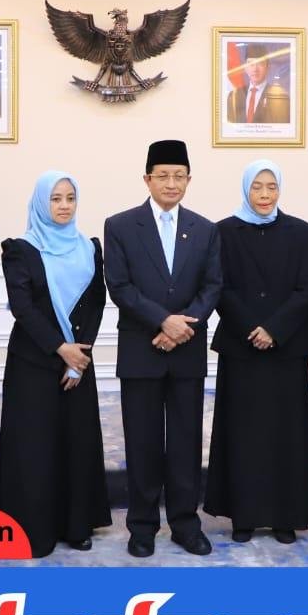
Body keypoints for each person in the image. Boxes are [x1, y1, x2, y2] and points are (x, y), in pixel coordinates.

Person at [104, 139, 222, 557]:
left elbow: (213, 286)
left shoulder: (206, 229)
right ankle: (142, 526)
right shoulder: (120, 226)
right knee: (143, 442)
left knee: (186, 443)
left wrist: (181, 326)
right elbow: (119, 286)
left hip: (187, 350)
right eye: (163, 176)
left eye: (179, 176)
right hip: (142, 350)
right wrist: (162, 321)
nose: (171, 183)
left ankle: (186, 524)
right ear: (147, 179)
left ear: (189, 180)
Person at [0, 171, 112, 558]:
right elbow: (23, 307)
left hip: (78, 365)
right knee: (35, 447)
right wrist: (61, 349)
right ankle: (34, 529)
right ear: (41, 203)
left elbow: (96, 302)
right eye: (55, 198)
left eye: (70, 198)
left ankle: (76, 525)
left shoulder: (89, 248)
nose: (64, 206)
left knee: (76, 443)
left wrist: (79, 359)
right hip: (34, 363)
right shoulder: (19, 249)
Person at [204, 159, 308, 544]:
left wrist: (275, 329)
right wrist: (252, 329)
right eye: (257, 187)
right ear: (245, 189)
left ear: (280, 189)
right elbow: (219, 286)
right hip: (242, 348)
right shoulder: (223, 231)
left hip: (286, 348)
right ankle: (244, 516)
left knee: (287, 435)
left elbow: (307, 289)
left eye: (271, 187)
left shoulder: (301, 232)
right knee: (243, 435)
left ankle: (286, 516)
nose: (265, 194)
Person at [224, 43, 291, 125]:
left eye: (260, 64)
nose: (255, 69)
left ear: (268, 67)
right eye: (251, 64)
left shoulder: (280, 97)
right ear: (245, 68)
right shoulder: (234, 96)